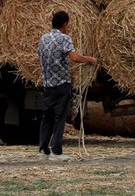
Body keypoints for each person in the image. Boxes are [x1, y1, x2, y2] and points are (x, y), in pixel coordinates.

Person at [36, 10, 97, 161]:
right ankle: (56, 151)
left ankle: (43, 149)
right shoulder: (64, 39)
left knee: (47, 117)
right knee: (59, 117)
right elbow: (74, 57)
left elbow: (39, 55)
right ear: (65, 24)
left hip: (48, 84)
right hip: (62, 84)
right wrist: (90, 59)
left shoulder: (43, 38)